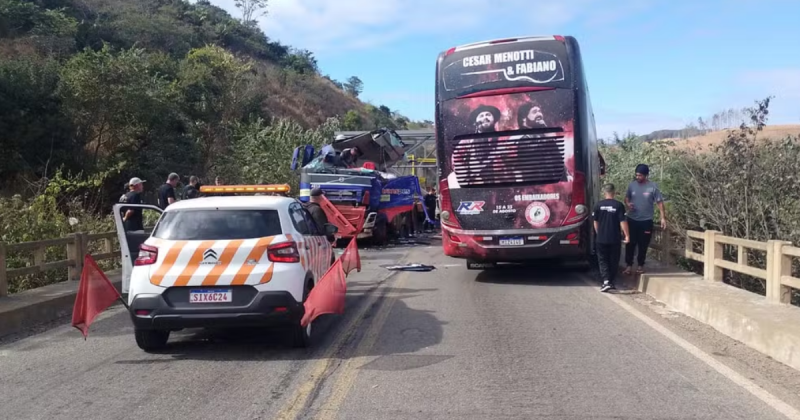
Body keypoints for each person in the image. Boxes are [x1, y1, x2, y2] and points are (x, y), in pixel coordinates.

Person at [623, 164, 666, 275]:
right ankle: (628, 266)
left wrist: (662, 218)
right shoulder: (632, 185)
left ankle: (640, 265)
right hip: (632, 219)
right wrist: (628, 204)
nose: (638, 177)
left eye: (640, 175)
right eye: (636, 175)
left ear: (646, 175)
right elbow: (626, 198)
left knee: (643, 244)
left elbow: (660, 203)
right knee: (630, 243)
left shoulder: (653, 187)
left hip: (646, 221)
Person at [593, 183, 630, 292]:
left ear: (604, 193)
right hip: (615, 238)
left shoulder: (598, 205)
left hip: (601, 238)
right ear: (614, 192)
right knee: (614, 260)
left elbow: (595, 222)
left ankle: (606, 281)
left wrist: (599, 233)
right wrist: (627, 235)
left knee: (602, 259)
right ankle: (610, 281)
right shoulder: (619, 205)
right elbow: (623, 221)